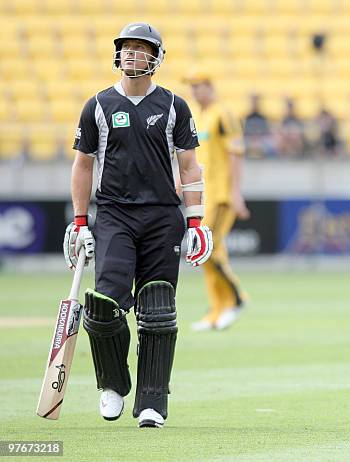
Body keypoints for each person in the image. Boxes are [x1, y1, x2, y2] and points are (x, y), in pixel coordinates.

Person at [64, 22, 213, 428]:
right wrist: (80, 222)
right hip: (113, 214)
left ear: (157, 57)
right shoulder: (98, 105)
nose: (132, 54)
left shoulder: (174, 106)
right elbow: (83, 164)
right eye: (126, 48)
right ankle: (111, 384)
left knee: (158, 308)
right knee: (103, 304)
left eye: (141, 48)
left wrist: (196, 221)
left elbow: (190, 166)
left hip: (163, 215)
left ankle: (152, 401)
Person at [182, 71, 250, 331]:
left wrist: (234, 192)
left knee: (206, 249)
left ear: (210, 87)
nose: (195, 92)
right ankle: (218, 309)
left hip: (220, 196)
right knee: (208, 253)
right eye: (192, 87)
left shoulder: (224, 114)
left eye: (198, 86)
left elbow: (236, 154)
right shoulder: (199, 116)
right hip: (204, 197)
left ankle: (236, 299)